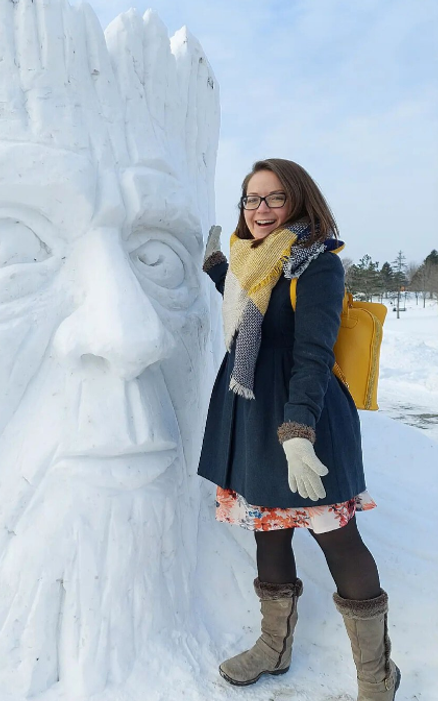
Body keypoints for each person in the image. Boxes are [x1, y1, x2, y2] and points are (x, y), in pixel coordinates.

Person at [199, 158, 400, 700]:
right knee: (270, 528)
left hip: (302, 415)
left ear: (299, 201)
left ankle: (377, 675)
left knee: (337, 536)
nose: (260, 211)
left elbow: (310, 351)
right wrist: (217, 264)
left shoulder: (317, 264)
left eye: (274, 199)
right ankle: (274, 647)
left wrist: (297, 432)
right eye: (251, 199)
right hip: (252, 411)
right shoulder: (250, 260)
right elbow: (250, 304)